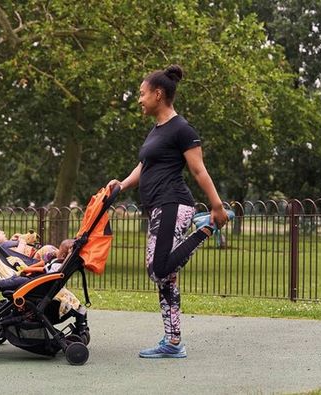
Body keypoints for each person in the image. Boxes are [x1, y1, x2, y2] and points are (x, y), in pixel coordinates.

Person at [106, 65, 233, 359]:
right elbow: (145, 165)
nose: (139, 99)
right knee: (166, 276)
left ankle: (207, 227)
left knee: (159, 268)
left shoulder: (182, 129)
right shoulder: (156, 131)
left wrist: (216, 207)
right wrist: (121, 185)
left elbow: (198, 169)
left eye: (142, 94)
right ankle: (173, 341)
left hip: (173, 204)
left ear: (158, 94)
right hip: (158, 208)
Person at [0, 239, 74, 292]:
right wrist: (29, 268)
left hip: (41, 284)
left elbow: (43, 269)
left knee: (21, 281)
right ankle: (4, 284)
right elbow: (43, 263)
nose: (57, 250)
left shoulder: (58, 266)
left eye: (60, 250)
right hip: (37, 279)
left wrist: (27, 270)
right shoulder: (57, 260)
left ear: (63, 256)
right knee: (16, 279)